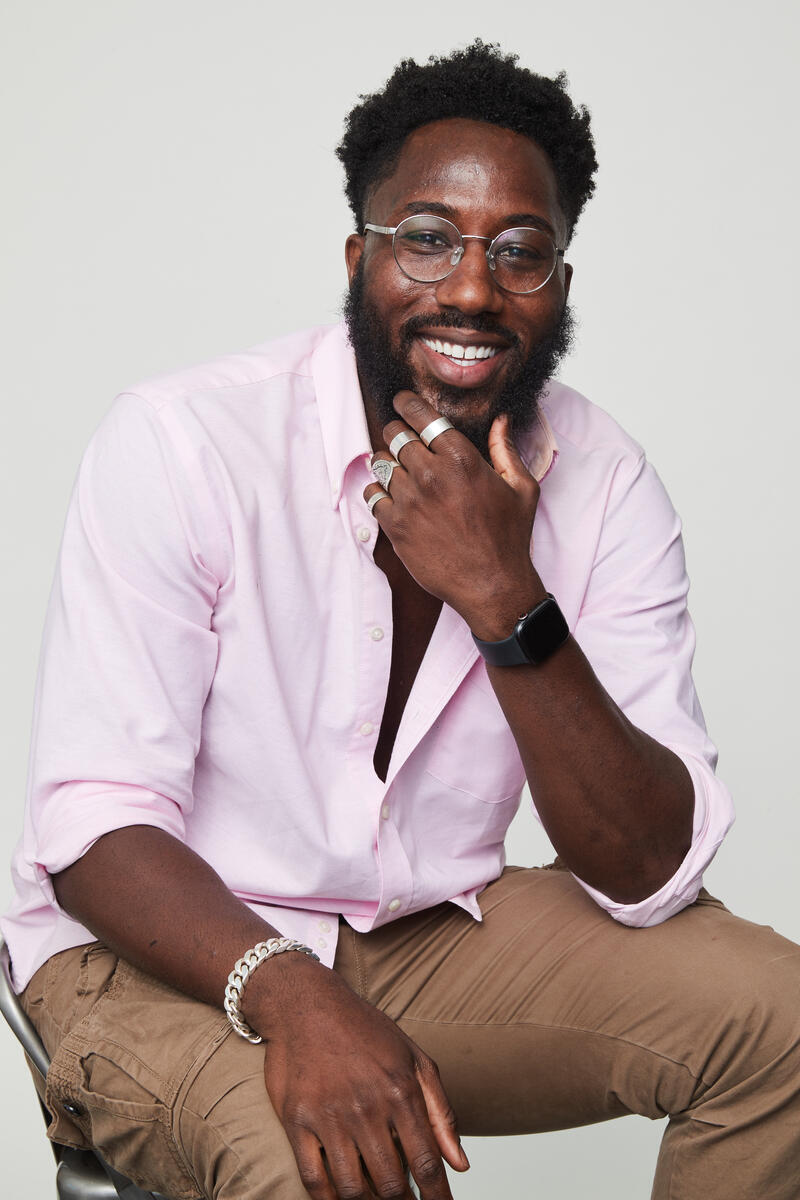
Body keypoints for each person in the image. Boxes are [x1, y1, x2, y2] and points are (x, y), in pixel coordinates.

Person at [2, 40, 799, 1200]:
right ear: (356, 257)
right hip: (148, 959)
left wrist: (503, 597)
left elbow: (644, 867)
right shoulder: (185, 441)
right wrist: (296, 995)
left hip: (414, 930)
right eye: (426, 238)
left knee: (775, 1024)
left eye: (517, 253)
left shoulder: (605, 481)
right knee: (360, 1175)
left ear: (559, 287)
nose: (470, 288)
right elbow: (93, 827)